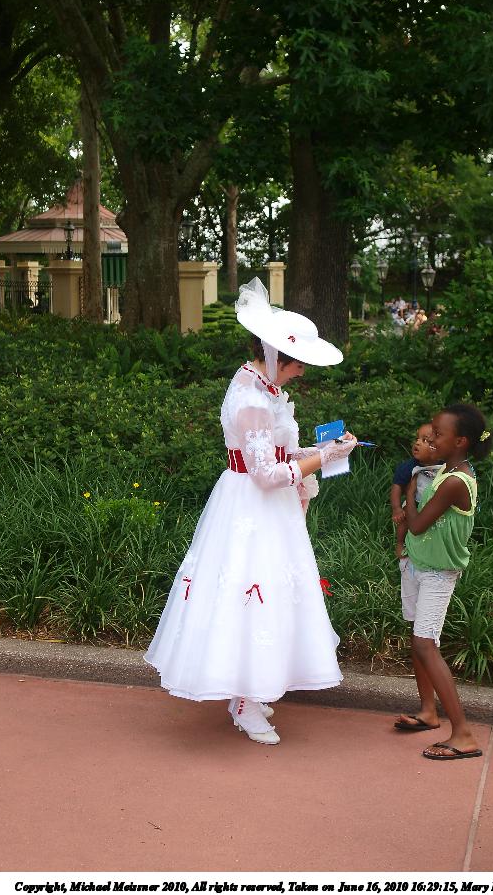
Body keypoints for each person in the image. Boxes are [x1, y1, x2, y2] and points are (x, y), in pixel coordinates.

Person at [144, 278, 357, 745]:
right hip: (251, 505)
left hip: (266, 507)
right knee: (250, 591)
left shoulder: (262, 387)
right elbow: (265, 474)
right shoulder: (252, 400)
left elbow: (279, 455)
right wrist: (324, 458)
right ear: (278, 356)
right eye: (298, 364)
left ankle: (252, 690)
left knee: (267, 593)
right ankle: (242, 700)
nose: (301, 373)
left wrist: (325, 450)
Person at [393, 404, 491, 760]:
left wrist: (408, 496)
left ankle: (463, 733)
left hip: (438, 572)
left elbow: (418, 524)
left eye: (437, 433)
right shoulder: (446, 470)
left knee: (425, 644)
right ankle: (428, 711)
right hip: (418, 563)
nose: (430, 437)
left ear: (460, 441)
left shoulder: (454, 481)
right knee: (418, 637)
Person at [390, 423, 443, 559]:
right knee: (404, 520)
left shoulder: (445, 465)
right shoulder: (410, 466)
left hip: (435, 505)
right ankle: (400, 543)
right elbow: (397, 486)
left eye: (425, 440)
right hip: (414, 502)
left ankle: (432, 546)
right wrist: (396, 509)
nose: (417, 443)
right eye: (417, 439)